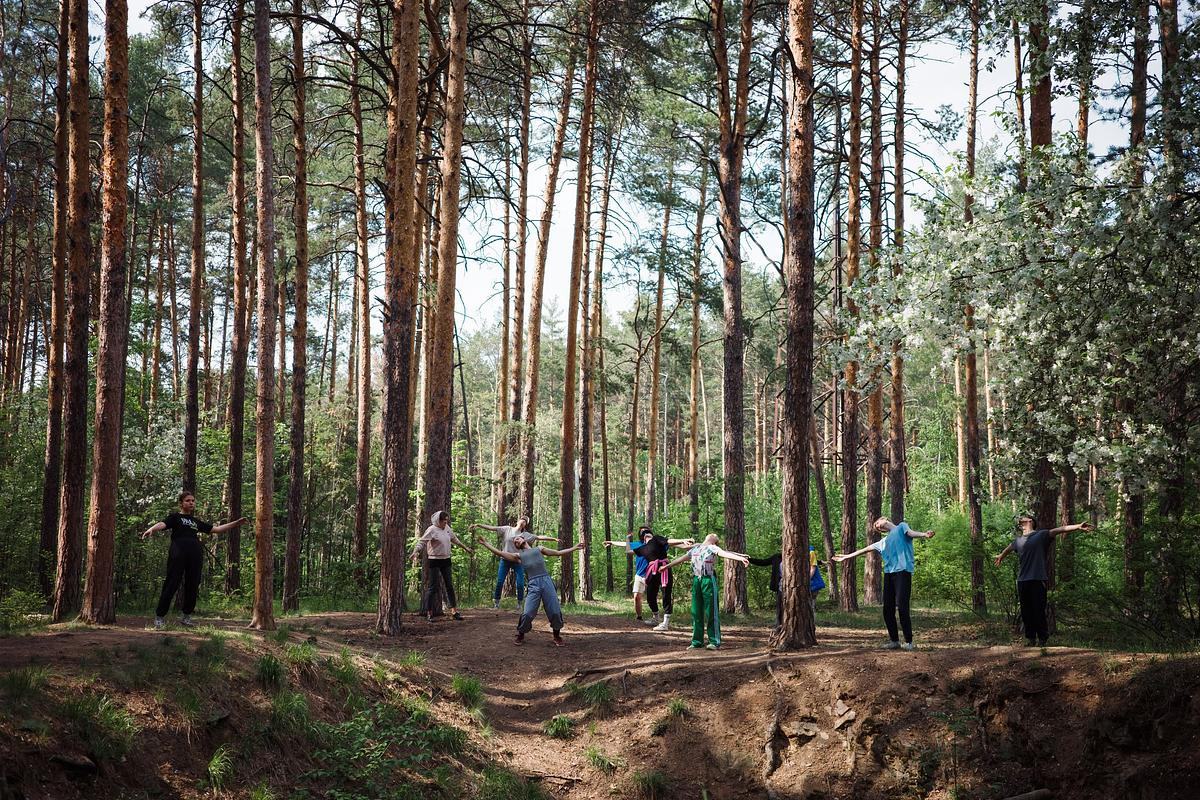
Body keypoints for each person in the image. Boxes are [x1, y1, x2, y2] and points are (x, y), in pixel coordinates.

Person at [141, 491, 247, 630]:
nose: (191, 503)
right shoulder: (175, 517)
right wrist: (152, 529)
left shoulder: (195, 522)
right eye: (187, 500)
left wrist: (236, 523)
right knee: (172, 583)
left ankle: (186, 616)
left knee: (193, 584)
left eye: (192, 501)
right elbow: (162, 524)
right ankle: (159, 617)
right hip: (178, 553)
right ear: (181, 503)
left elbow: (217, 529)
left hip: (195, 555)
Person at [833, 517, 936, 651]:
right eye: (876, 528)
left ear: (884, 519)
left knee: (902, 607)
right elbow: (865, 549)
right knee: (887, 609)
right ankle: (894, 641)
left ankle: (909, 642)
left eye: (877, 523)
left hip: (902, 572)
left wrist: (924, 534)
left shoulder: (901, 527)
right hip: (889, 574)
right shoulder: (883, 542)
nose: (877, 527)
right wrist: (847, 556)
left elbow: (910, 533)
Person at [993, 513, 1093, 647]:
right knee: (1026, 611)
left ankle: (1042, 639)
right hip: (1022, 581)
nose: (1019, 521)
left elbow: (1060, 529)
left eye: (1022, 518)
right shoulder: (1018, 541)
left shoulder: (1041, 535)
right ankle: (1030, 639)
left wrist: (1078, 527)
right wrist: (1001, 556)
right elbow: (1009, 548)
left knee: (1038, 610)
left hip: (1038, 579)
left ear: (1030, 521)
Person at [476, 534, 585, 646]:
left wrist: (574, 548)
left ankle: (557, 636)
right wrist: (485, 544)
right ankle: (521, 634)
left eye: (518, 538)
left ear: (524, 539)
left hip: (546, 581)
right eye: (515, 542)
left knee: (555, 611)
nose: (516, 540)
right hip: (533, 584)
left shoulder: (539, 549)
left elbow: (558, 553)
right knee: (527, 613)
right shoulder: (518, 556)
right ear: (517, 546)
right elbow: (500, 553)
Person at [667, 534, 749, 650]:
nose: (713, 535)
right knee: (696, 611)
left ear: (714, 541)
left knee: (711, 611)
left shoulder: (713, 548)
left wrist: (740, 558)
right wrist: (666, 567)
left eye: (715, 536)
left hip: (708, 580)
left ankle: (714, 641)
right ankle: (696, 641)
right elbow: (681, 559)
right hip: (697, 580)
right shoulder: (696, 548)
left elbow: (725, 553)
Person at [603, 527, 694, 630]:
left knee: (666, 594)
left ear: (652, 534)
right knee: (650, 596)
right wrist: (626, 539)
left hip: (664, 569)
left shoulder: (657, 540)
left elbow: (670, 541)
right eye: (644, 533)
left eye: (648, 532)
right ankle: (655, 618)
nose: (646, 534)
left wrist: (683, 540)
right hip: (652, 572)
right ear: (642, 537)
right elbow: (628, 550)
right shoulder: (642, 548)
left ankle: (665, 623)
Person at [471, 518, 556, 608]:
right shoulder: (507, 529)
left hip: (517, 560)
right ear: (518, 521)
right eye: (523, 519)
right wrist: (479, 525)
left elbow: (538, 537)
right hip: (505, 559)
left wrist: (553, 539)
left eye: (525, 521)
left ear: (525, 525)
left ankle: (519, 604)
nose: (524, 521)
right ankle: (496, 603)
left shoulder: (525, 535)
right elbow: (493, 528)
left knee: (520, 583)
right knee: (500, 581)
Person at [410, 510, 475, 623]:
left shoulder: (447, 528)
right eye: (443, 521)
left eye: (446, 520)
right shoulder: (431, 530)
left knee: (449, 585)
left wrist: (466, 548)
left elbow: (455, 539)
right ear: (438, 521)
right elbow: (422, 542)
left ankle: (454, 611)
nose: (445, 522)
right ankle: (429, 613)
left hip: (446, 560)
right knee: (433, 587)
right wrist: (415, 551)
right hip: (434, 560)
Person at [749, 547, 826, 628]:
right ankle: (779, 625)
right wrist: (750, 559)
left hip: (794, 586)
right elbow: (763, 562)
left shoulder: (796, 557)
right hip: (781, 585)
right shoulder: (776, 557)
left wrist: (821, 562)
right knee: (780, 605)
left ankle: (799, 625)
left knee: (795, 606)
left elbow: (810, 562)